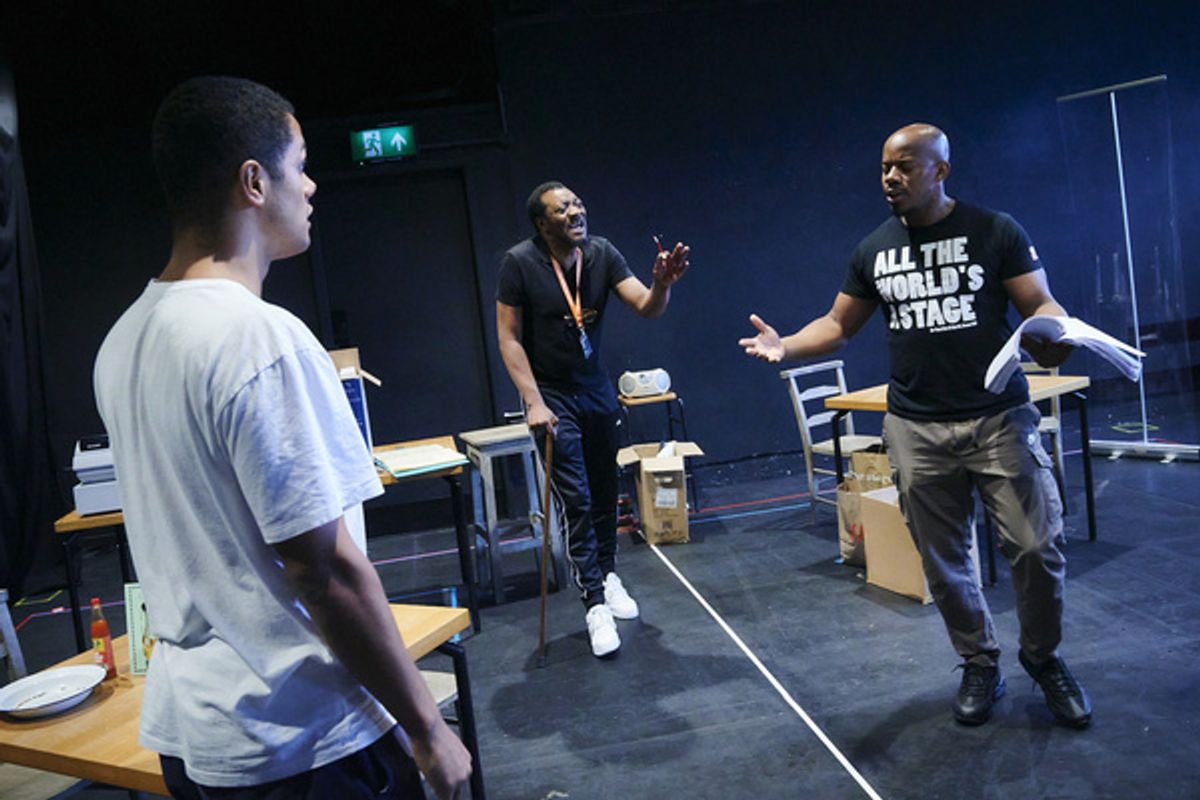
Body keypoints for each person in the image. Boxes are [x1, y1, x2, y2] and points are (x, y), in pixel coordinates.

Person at [94, 76, 472, 798]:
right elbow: (323, 572)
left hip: (195, 732)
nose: (312, 185)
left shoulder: (123, 339)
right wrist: (426, 727)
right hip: (298, 740)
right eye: (300, 165)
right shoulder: (258, 338)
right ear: (254, 182)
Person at [740, 123, 1092, 728]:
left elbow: (1039, 303)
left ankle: (1042, 656)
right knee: (944, 562)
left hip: (998, 419)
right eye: (884, 168)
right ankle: (979, 661)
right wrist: (787, 344)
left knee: (1037, 546)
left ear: (940, 170)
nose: (890, 178)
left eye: (904, 166)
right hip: (917, 428)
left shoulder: (994, 231)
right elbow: (838, 325)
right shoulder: (874, 249)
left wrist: (1054, 330)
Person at [496, 182, 689, 657]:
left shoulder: (601, 253)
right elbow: (509, 337)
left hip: (596, 390)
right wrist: (533, 401)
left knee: (605, 493)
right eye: (562, 208)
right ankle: (594, 603)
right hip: (551, 395)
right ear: (542, 223)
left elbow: (646, 307)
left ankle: (607, 574)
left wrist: (662, 284)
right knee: (577, 500)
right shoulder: (519, 263)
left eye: (578, 203)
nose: (575, 212)